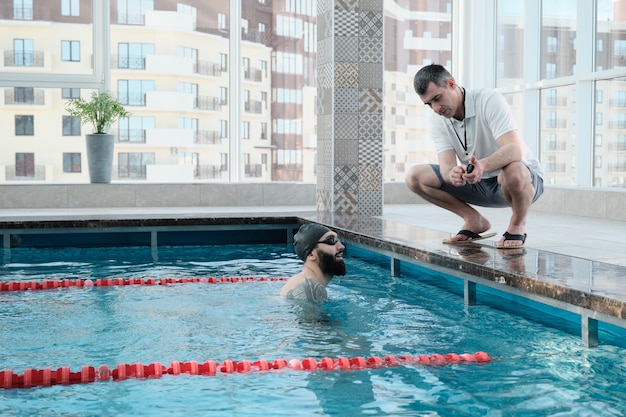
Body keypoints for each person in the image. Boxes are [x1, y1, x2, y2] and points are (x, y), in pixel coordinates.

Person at [405, 64, 544, 249]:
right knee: (415, 177)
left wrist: (483, 165)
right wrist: (452, 173)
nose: (436, 108)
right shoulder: (438, 119)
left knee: (513, 171)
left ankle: (517, 225)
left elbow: (514, 150)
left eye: (437, 98)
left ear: (451, 83)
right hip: (478, 184)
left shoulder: (488, 99)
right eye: (429, 103)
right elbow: (446, 167)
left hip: (519, 183)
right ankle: (473, 220)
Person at [280, 224, 346, 302]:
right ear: (311, 254)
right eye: (331, 241)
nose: (341, 246)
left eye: (338, 240)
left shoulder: (300, 282)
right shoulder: (312, 290)